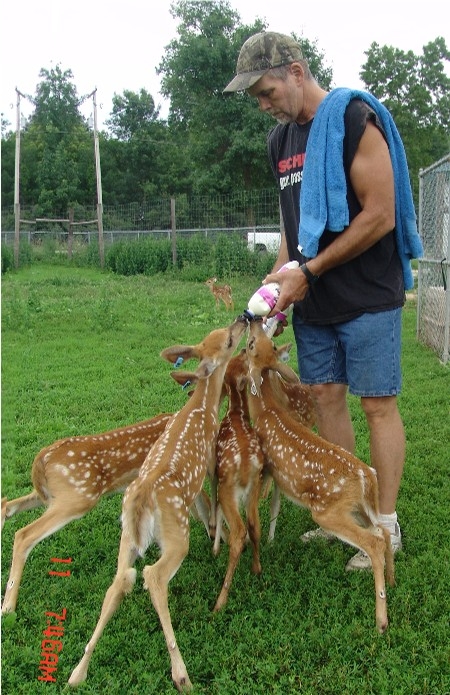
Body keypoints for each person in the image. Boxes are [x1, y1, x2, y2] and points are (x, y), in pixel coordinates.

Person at [224, 31, 423, 570]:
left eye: (266, 91)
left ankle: (386, 523)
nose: (263, 105)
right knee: (328, 401)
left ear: (294, 70)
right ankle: (349, 512)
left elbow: (380, 213)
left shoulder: (354, 119)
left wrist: (308, 271)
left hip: (367, 296)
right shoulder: (280, 143)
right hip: (314, 301)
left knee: (377, 404)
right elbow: (296, 228)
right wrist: (275, 285)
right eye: (255, 99)